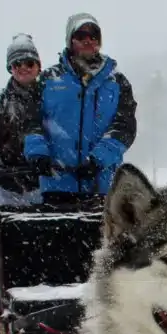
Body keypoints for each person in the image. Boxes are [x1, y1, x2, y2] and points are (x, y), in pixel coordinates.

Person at [23, 13, 137, 200]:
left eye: (93, 36)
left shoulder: (117, 82)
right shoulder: (47, 81)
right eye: (81, 36)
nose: (88, 41)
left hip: (104, 187)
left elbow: (124, 128)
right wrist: (38, 154)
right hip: (57, 185)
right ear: (70, 40)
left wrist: (97, 160)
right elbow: (31, 122)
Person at [0, 33, 47, 206]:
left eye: (29, 63)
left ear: (38, 66)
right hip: (6, 190)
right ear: (10, 68)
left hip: (46, 186)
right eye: (17, 64)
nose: (24, 68)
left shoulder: (53, 98)